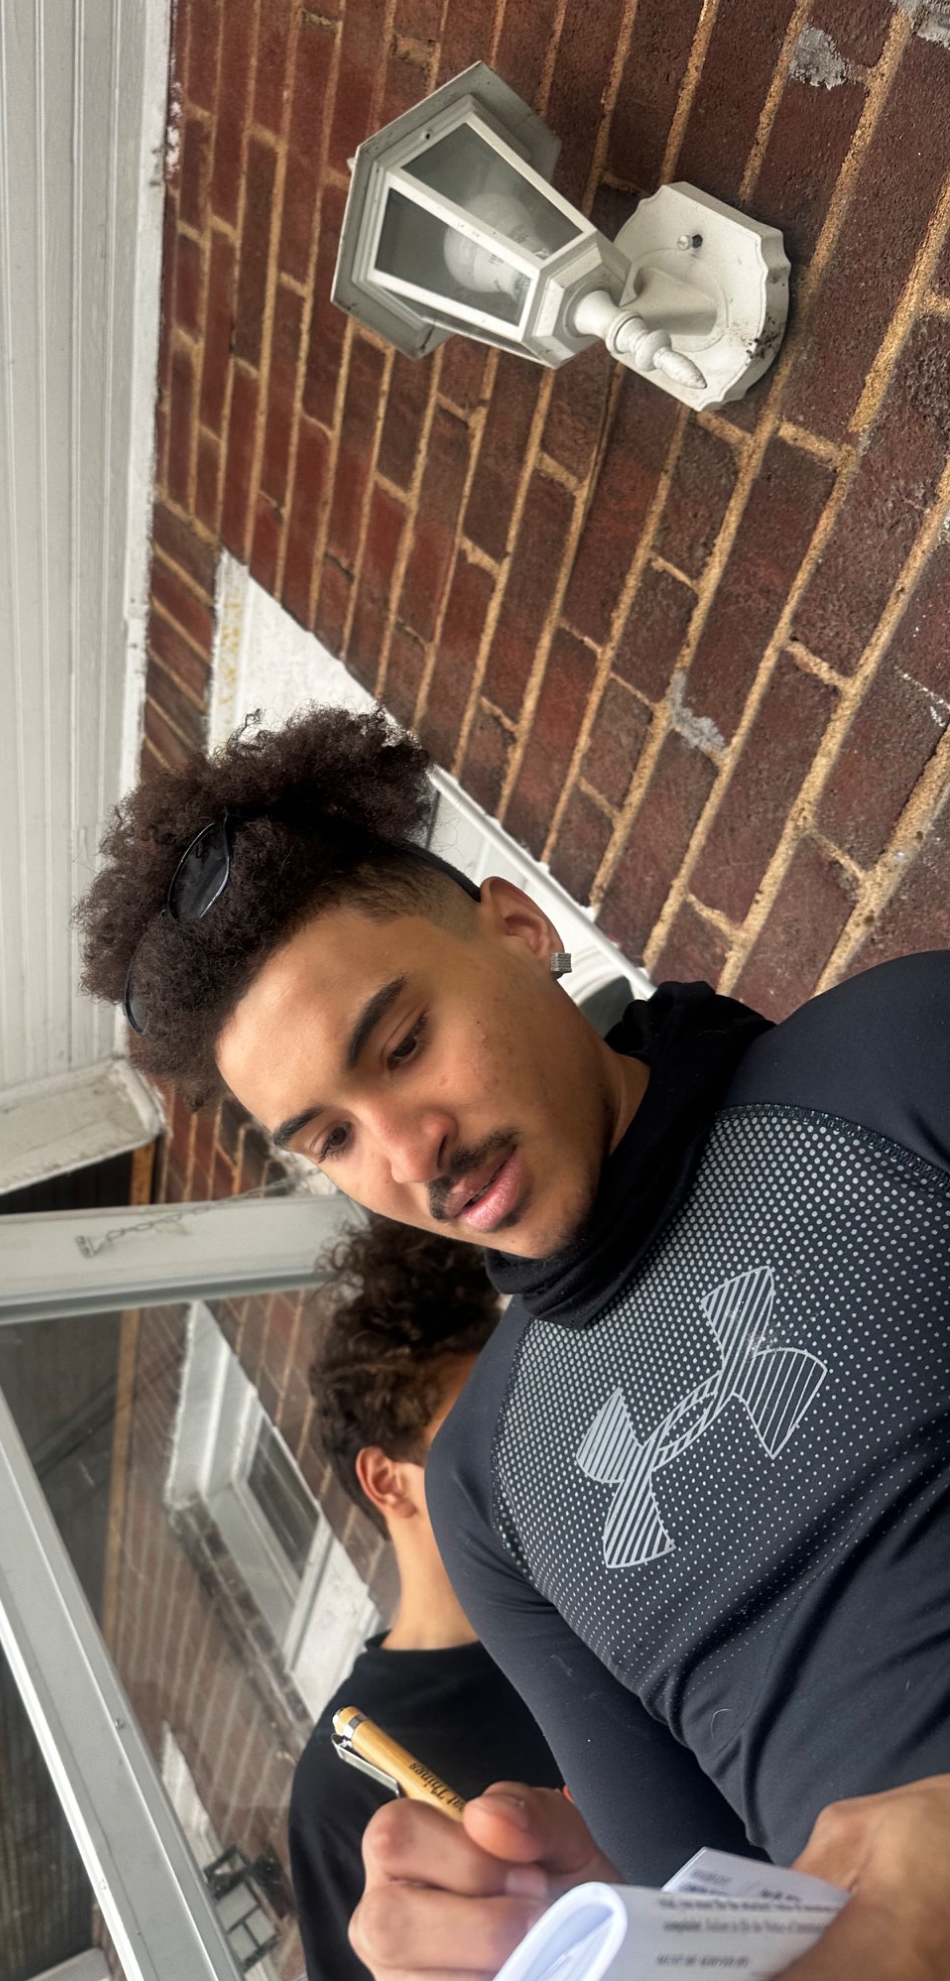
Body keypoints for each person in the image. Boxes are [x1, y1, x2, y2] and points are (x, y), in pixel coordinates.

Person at [75, 706, 950, 1977]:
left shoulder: (898, 1056)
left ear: (522, 928)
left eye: (403, 1043)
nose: (407, 1149)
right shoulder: (490, 1487)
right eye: (332, 1138)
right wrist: (593, 1912)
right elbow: (729, 1908)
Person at [288, 1213, 563, 1981]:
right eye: (475, 1435)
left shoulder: (600, 1601)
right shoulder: (348, 1778)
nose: (524, 1452)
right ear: (387, 1481)